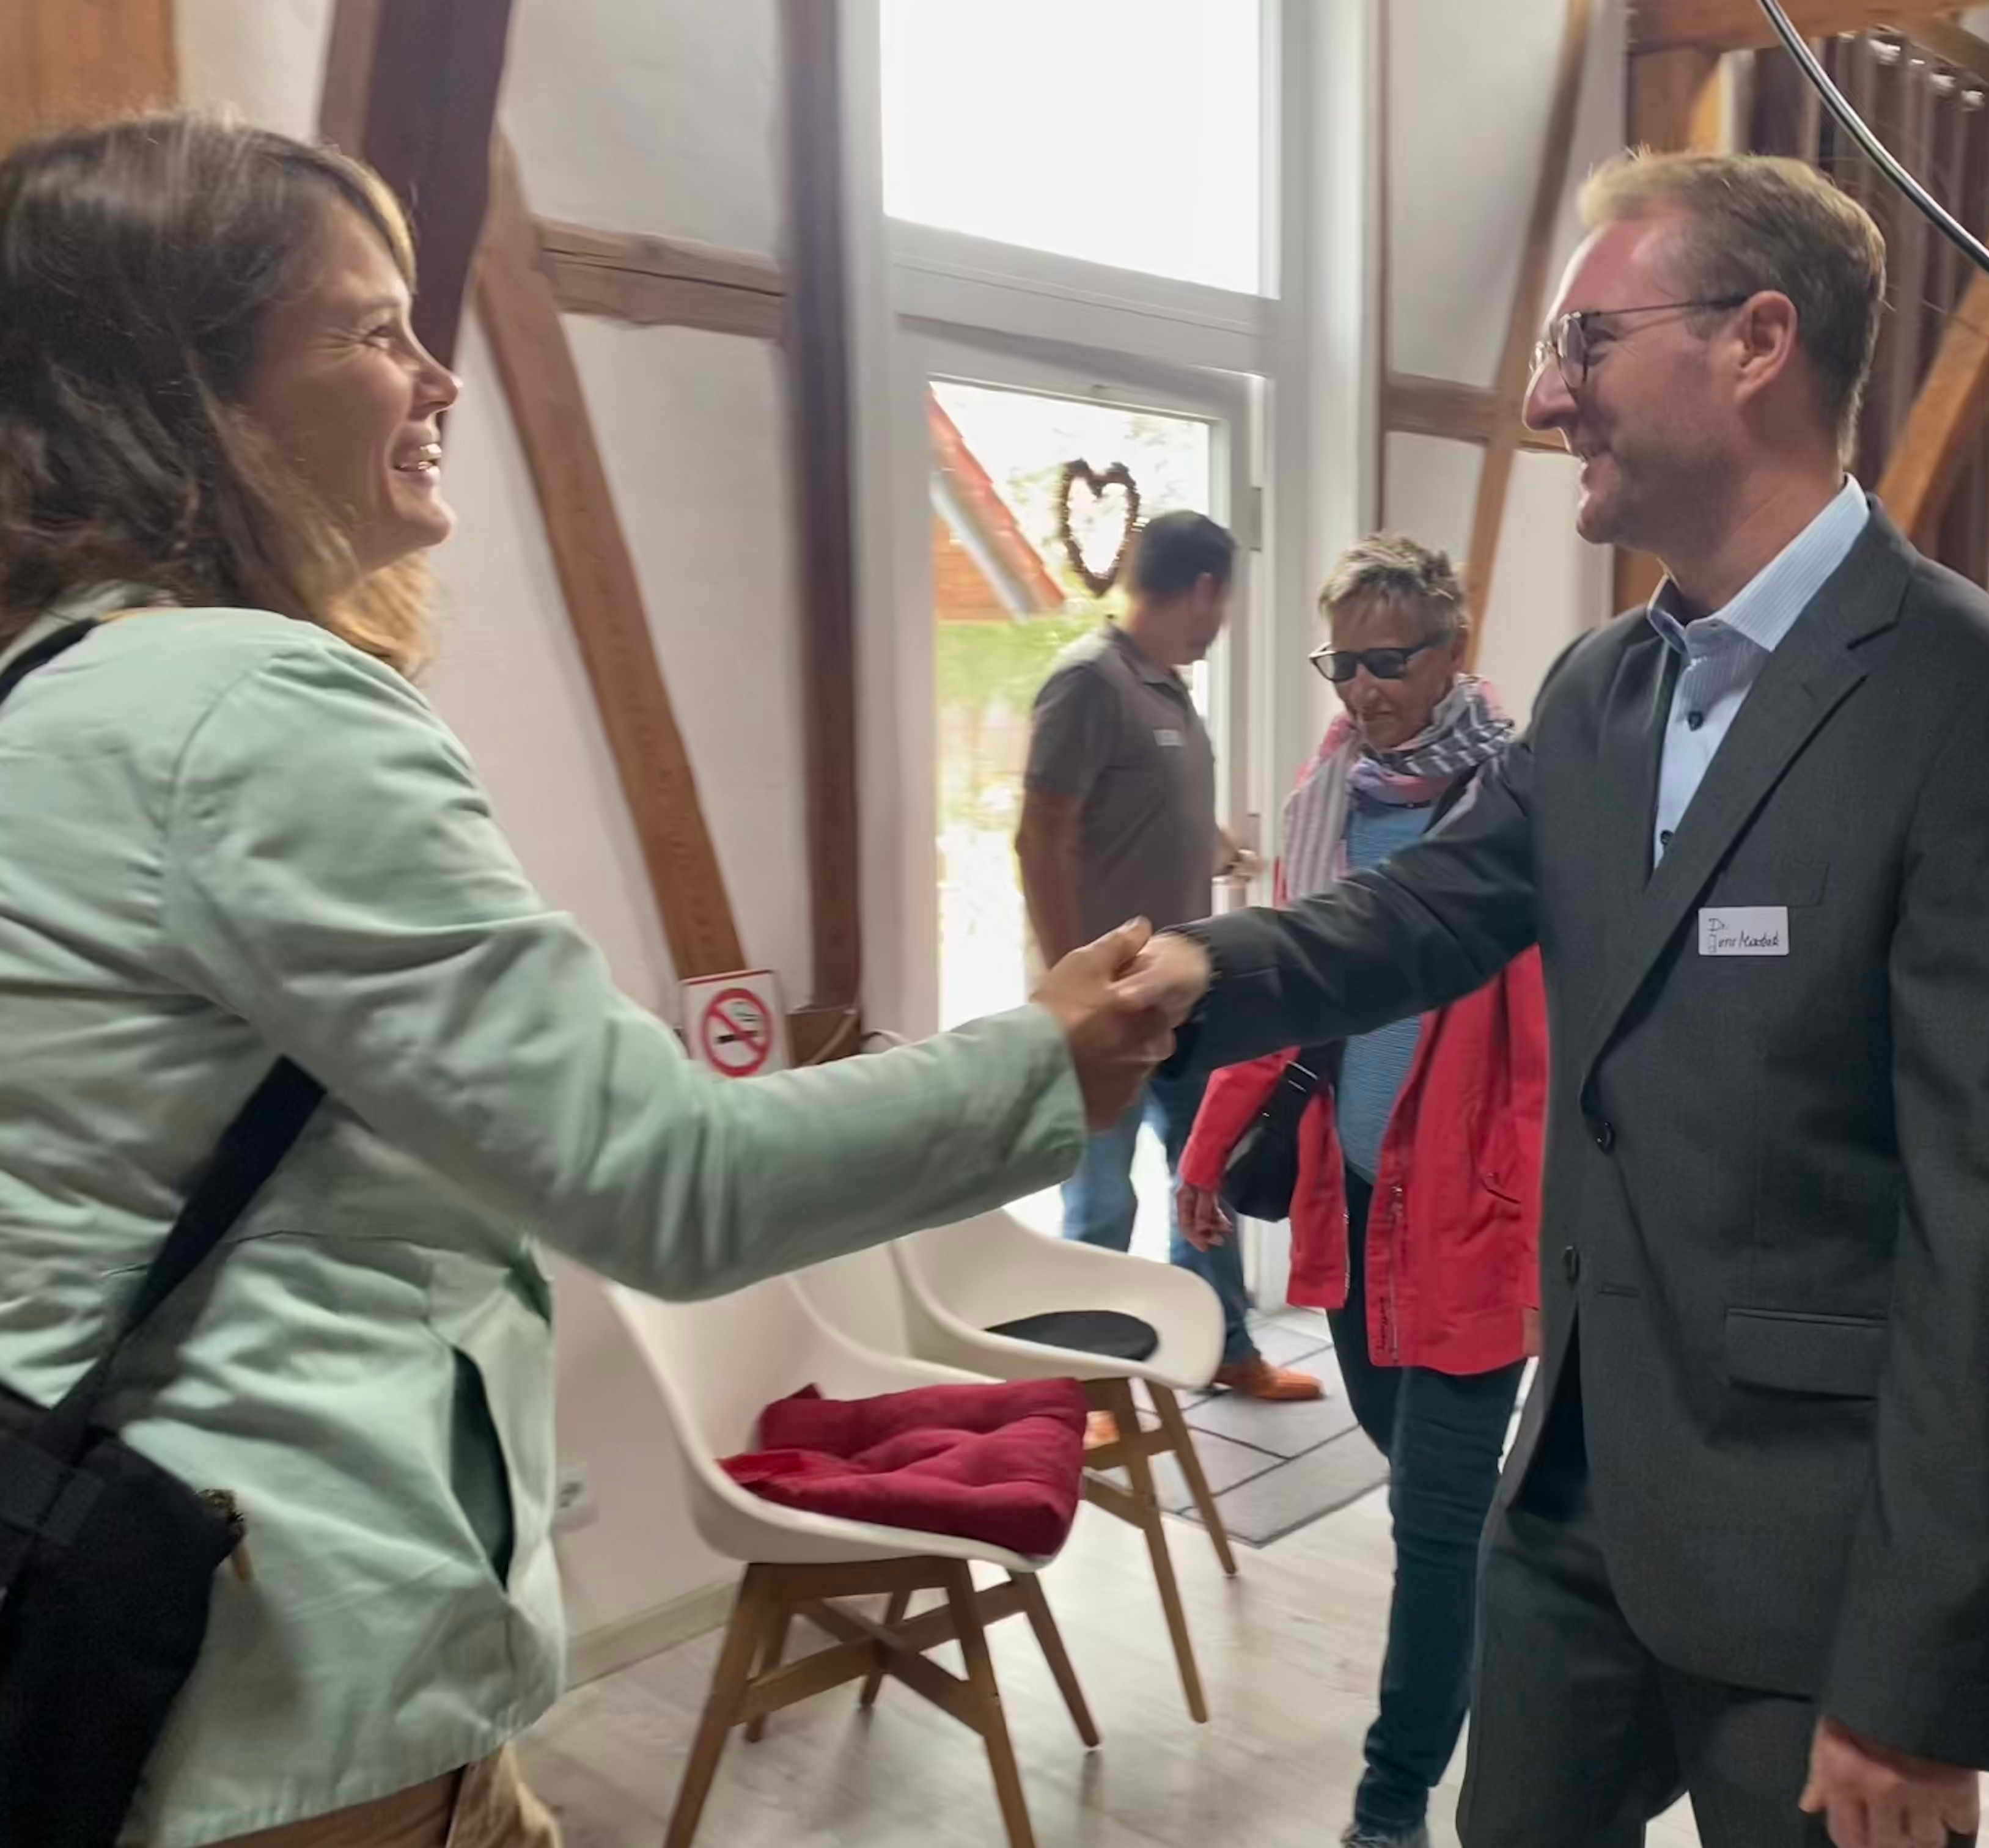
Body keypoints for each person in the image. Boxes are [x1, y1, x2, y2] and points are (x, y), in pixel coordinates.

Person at [0, 116, 1174, 1847]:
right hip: (268, 1686)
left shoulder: (52, 692)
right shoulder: (248, 709)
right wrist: (1044, 1061)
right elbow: (671, 1181)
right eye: (371, 327)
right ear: (186, 385)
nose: (435, 376)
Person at [1125, 151, 1989, 1848]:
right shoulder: (1605, 689)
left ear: (1756, 342)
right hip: (1574, 1501)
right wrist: (1180, 981)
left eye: (1585, 345)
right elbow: (1427, 914)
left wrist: (1923, 1681)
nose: (1542, 400)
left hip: (1821, 1576)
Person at [1174, 536, 1545, 1848]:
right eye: (1347, 662)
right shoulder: (1329, 794)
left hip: (1473, 1218)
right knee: (1435, 1494)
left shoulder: (1521, 801)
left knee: (1433, 1530)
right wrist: (1213, 1136)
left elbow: (1555, 1039)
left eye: (1392, 660)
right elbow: (1293, 986)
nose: (1367, 690)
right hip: (1354, 1202)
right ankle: (1545, 1642)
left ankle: (1391, 1806)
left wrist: (1546, 1201)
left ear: (1455, 651)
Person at [1017, 510, 1320, 1404]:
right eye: (1223, 602)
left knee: (1206, 1179)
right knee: (1102, 1206)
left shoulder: (1168, 691)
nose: (1221, 623)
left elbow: (1148, 808)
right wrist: (1073, 987)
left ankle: (1222, 1351)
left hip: (1185, 1001)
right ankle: (1085, 1391)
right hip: (1109, 1007)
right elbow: (1041, 838)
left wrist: (1219, 848)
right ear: (1204, 589)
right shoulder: (1088, 684)